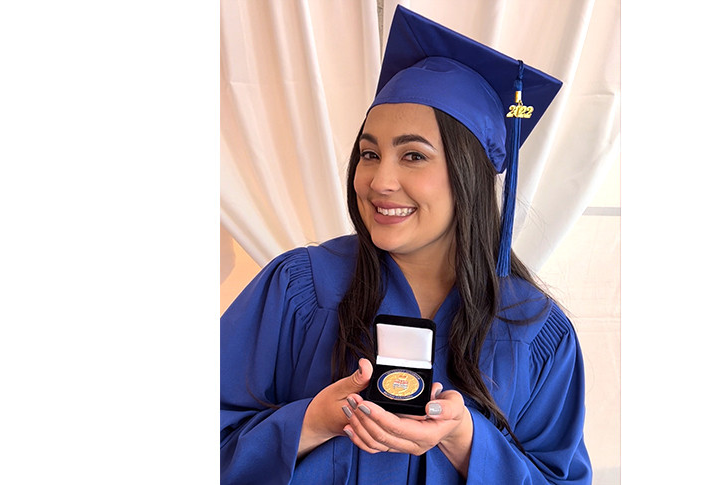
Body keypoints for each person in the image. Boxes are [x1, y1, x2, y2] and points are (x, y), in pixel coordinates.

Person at [220, 6, 592, 484]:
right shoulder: (298, 289)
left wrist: (466, 442)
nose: (380, 180)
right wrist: (312, 421)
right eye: (369, 154)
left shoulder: (535, 329)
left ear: (469, 177)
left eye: (413, 155)